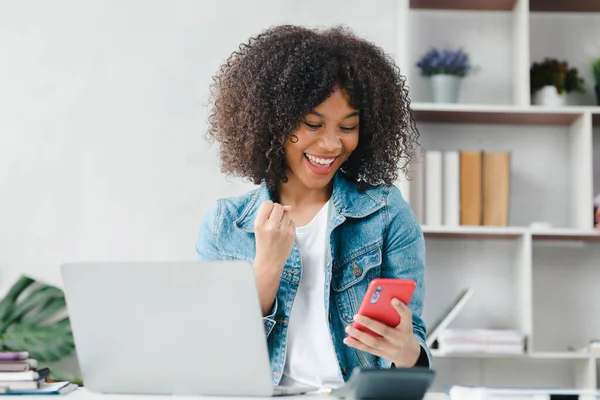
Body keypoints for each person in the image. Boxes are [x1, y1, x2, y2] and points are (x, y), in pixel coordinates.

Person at [195, 24, 431, 390]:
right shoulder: (225, 225)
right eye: (313, 124)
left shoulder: (385, 214)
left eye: (348, 126)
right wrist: (267, 268)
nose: (332, 143)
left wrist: (406, 352)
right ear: (273, 122)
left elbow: (411, 364)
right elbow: (215, 358)